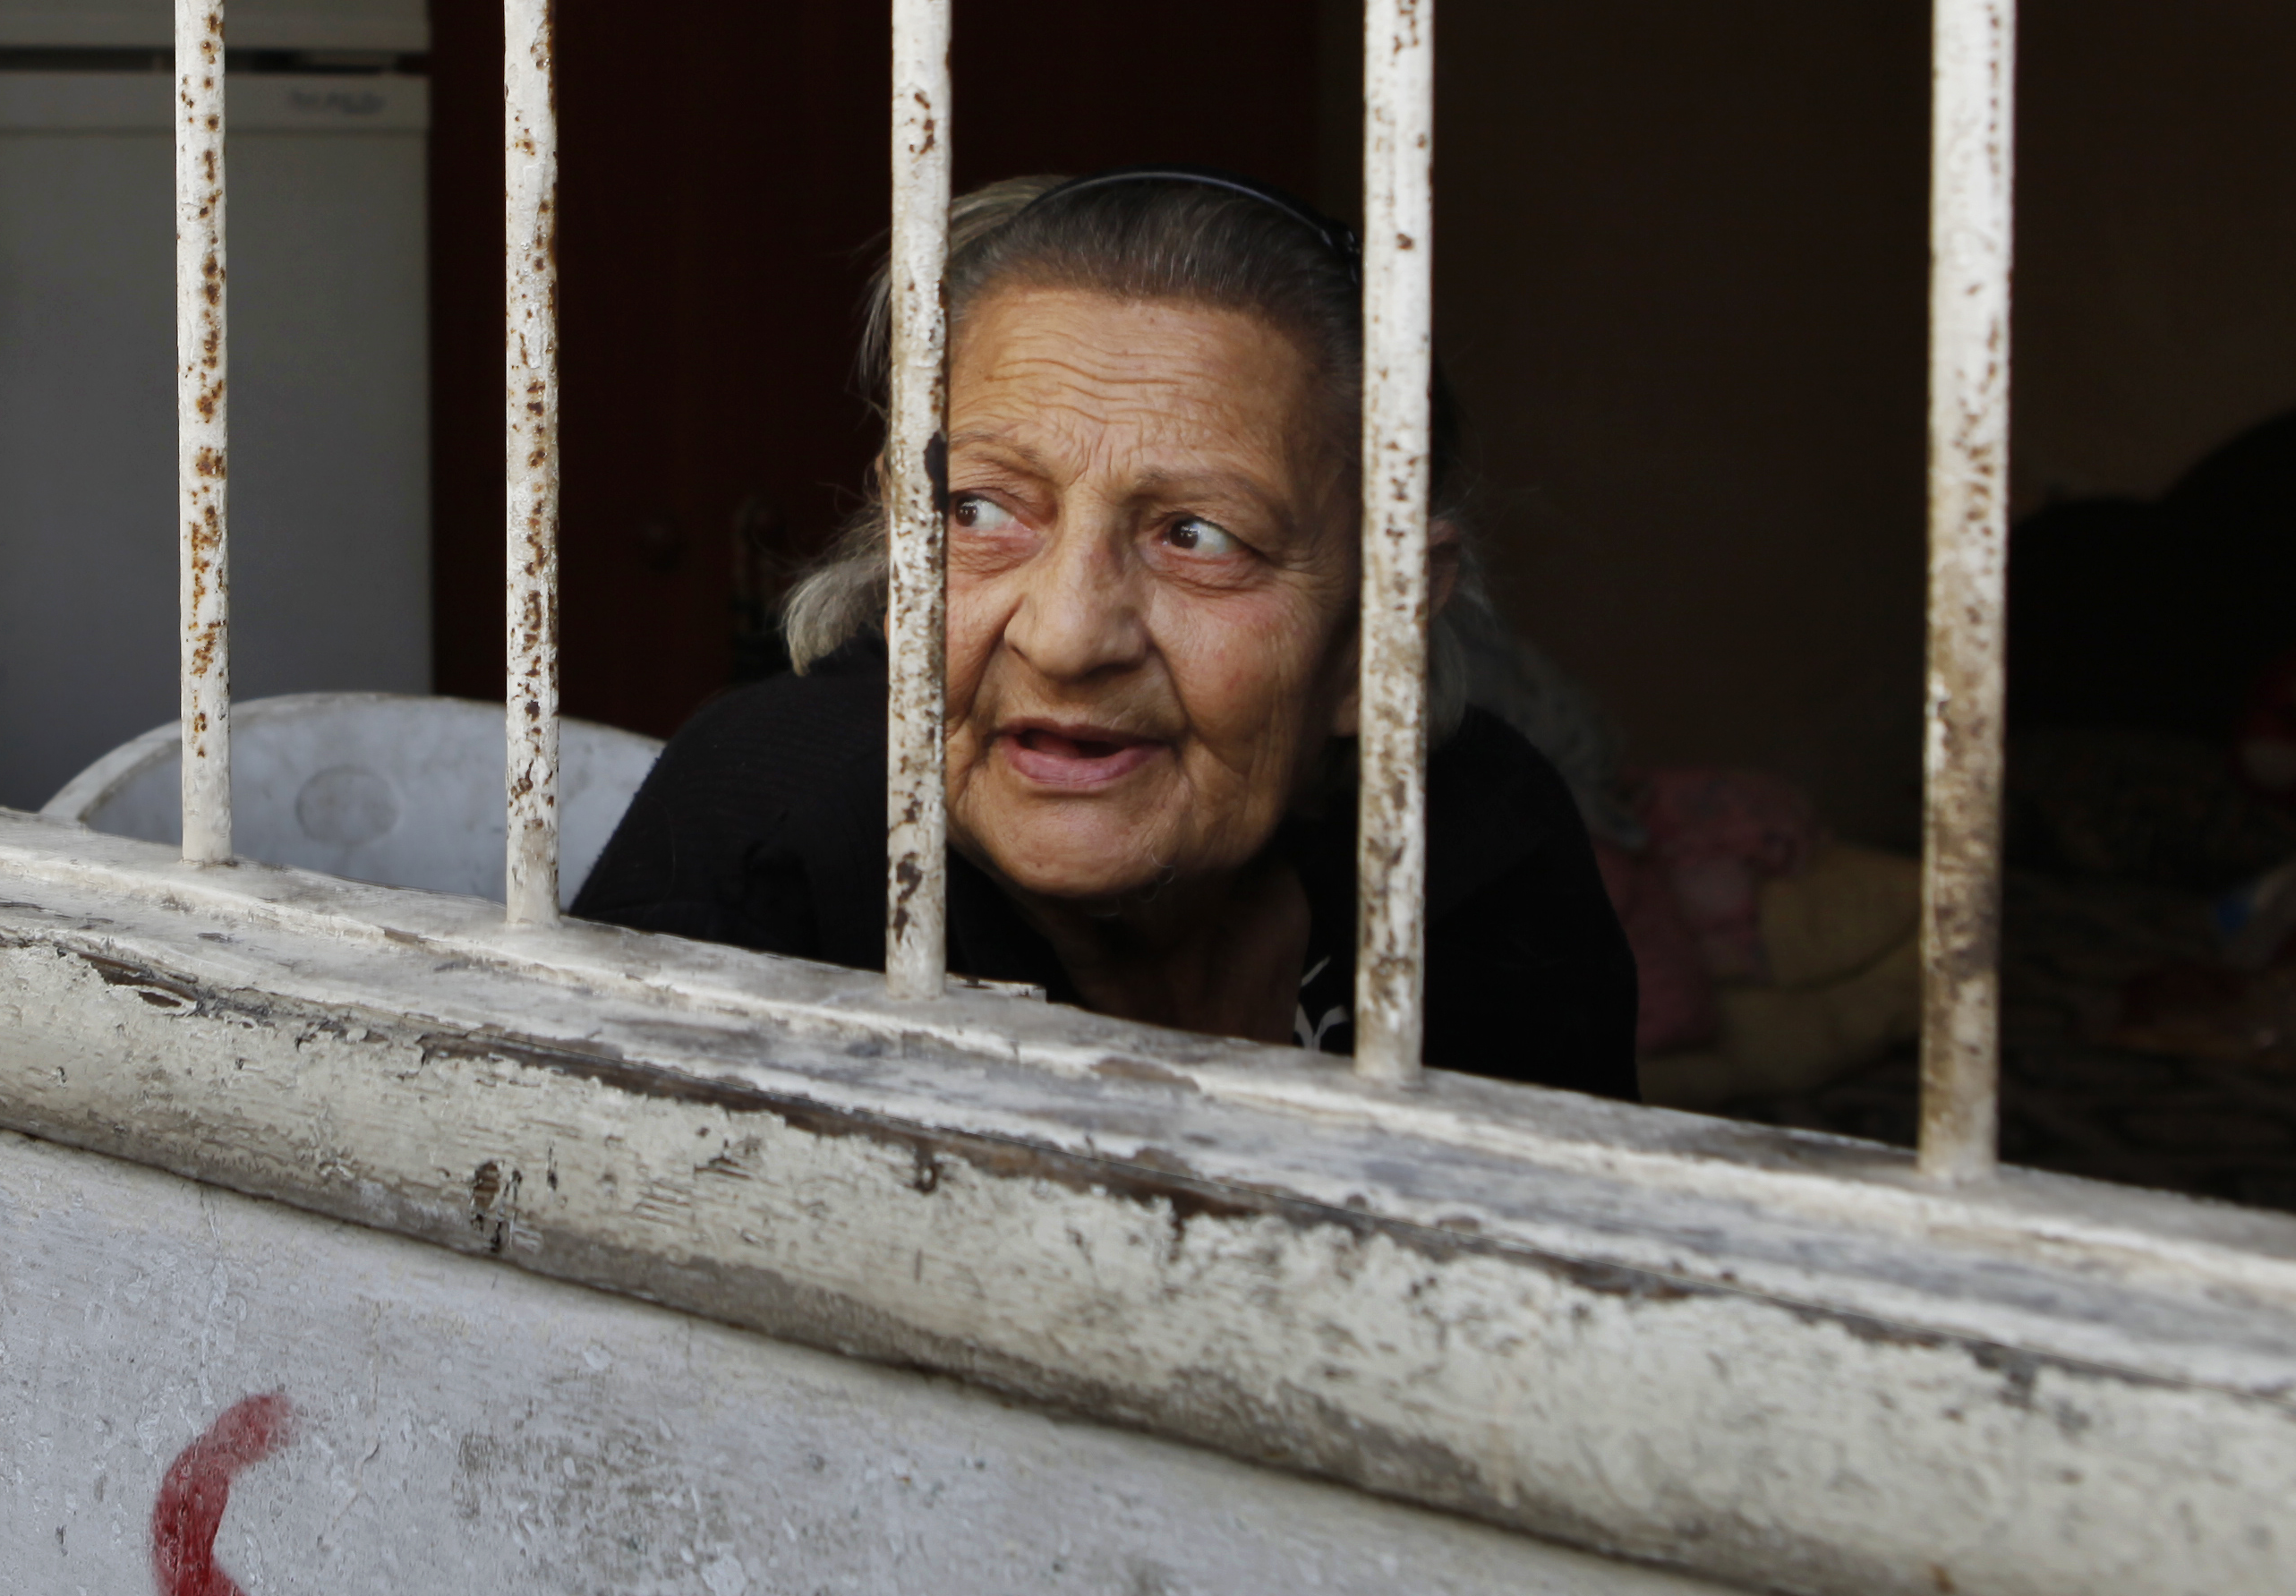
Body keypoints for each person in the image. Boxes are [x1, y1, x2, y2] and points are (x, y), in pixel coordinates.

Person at [582, 171, 1640, 1097]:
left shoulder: (1475, 846)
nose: (1069, 637)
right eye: (980, 512)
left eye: (1197, 535)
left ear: (1382, 629)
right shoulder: (776, 841)